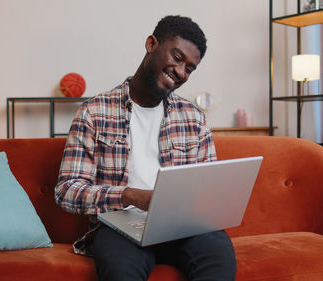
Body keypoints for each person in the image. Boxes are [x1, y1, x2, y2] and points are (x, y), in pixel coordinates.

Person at [55, 15, 236, 281]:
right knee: (119, 271)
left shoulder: (194, 117)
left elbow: (207, 188)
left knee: (219, 256)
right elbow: (66, 190)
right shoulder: (94, 112)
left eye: (190, 68)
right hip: (120, 226)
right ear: (151, 44)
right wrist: (131, 196)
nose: (181, 72)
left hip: (182, 226)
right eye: (176, 57)